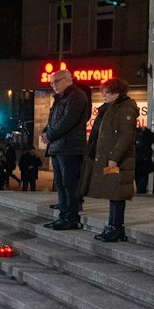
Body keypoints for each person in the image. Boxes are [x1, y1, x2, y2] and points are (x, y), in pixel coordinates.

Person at [84, 78, 139, 243]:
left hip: (119, 160)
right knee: (112, 191)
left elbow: (126, 136)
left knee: (117, 192)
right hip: (110, 159)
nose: (103, 95)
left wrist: (114, 158)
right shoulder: (113, 107)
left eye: (107, 92)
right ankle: (112, 225)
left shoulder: (126, 109)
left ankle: (116, 227)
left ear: (117, 92)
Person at [42, 69, 92, 230]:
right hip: (59, 146)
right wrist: (46, 132)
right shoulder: (62, 98)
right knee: (60, 182)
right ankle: (64, 215)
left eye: (56, 81)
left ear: (68, 80)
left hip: (70, 147)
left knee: (70, 183)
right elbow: (54, 120)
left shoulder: (76, 96)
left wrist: (49, 135)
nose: (53, 85)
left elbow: (67, 121)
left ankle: (71, 216)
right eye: (51, 83)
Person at [134, 123, 154, 195]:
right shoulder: (136, 134)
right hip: (139, 162)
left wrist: (146, 131)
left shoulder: (141, 133)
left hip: (142, 162)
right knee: (141, 182)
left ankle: (140, 194)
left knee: (141, 182)